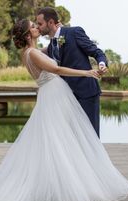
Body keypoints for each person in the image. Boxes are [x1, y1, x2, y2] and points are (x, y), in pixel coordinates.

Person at [0, 19, 128, 201]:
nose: (37, 28)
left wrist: (59, 39)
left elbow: (53, 49)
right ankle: (71, 189)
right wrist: (86, 72)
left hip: (51, 93)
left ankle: (70, 183)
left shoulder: (30, 52)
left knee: (61, 139)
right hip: (54, 94)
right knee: (62, 140)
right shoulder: (32, 53)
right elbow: (57, 70)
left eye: (37, 24)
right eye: (33, 27)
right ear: (27, 35)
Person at [36, 7, 107, 137]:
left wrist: (101, 64)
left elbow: (97, 52)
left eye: (40, 24)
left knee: (91, 136)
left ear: (51, 22)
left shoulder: (74, 32)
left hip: (86, 93)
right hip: (67, 97)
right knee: (73, 138)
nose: (38, 27)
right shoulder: (51, 47)